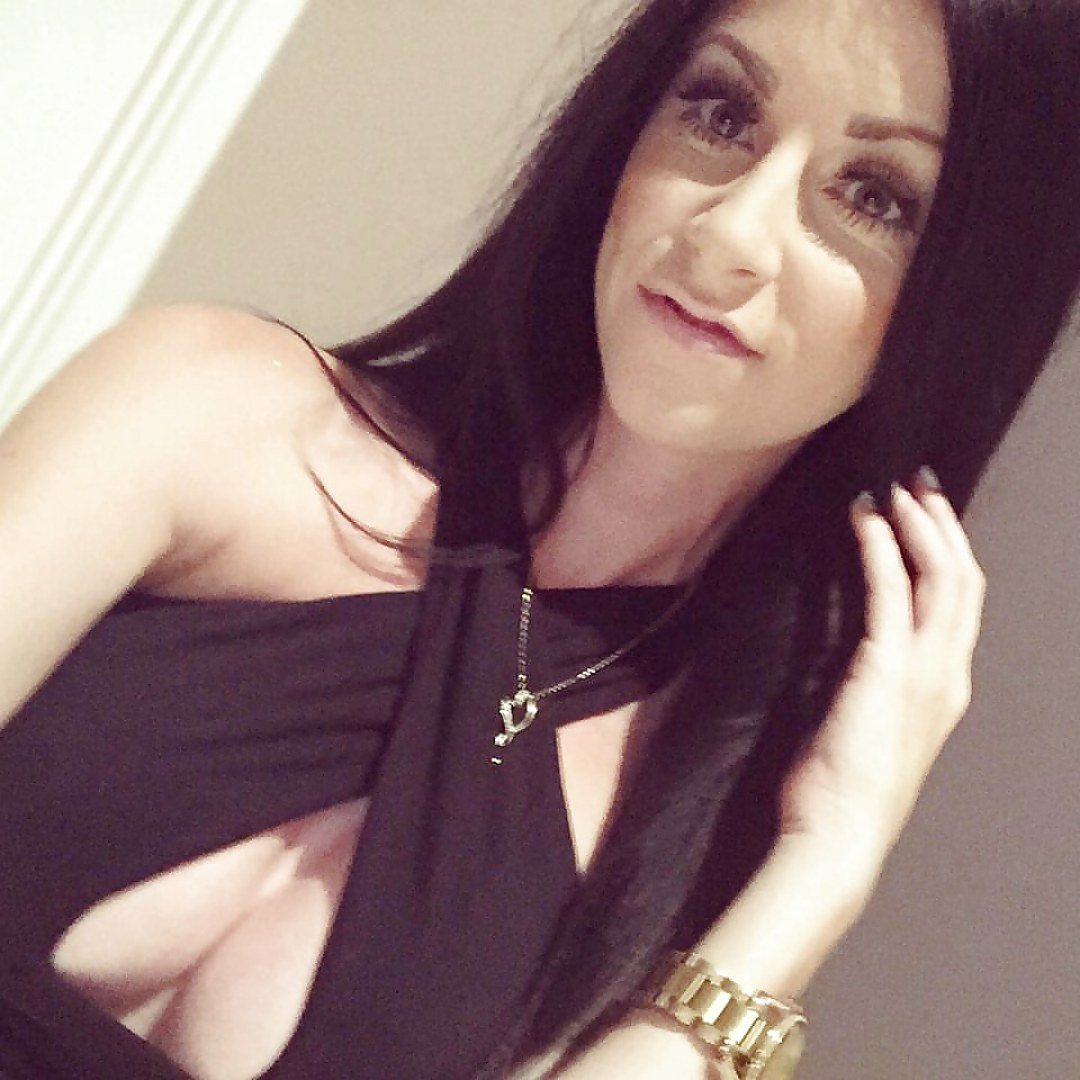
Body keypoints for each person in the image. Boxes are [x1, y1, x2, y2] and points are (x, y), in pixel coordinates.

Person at [0, 0, 1077, 1077]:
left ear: (965, 298)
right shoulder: (212, 411)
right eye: (720, 113)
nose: (730, 234)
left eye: (875, 196)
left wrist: (826, 864)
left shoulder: (706, 820)